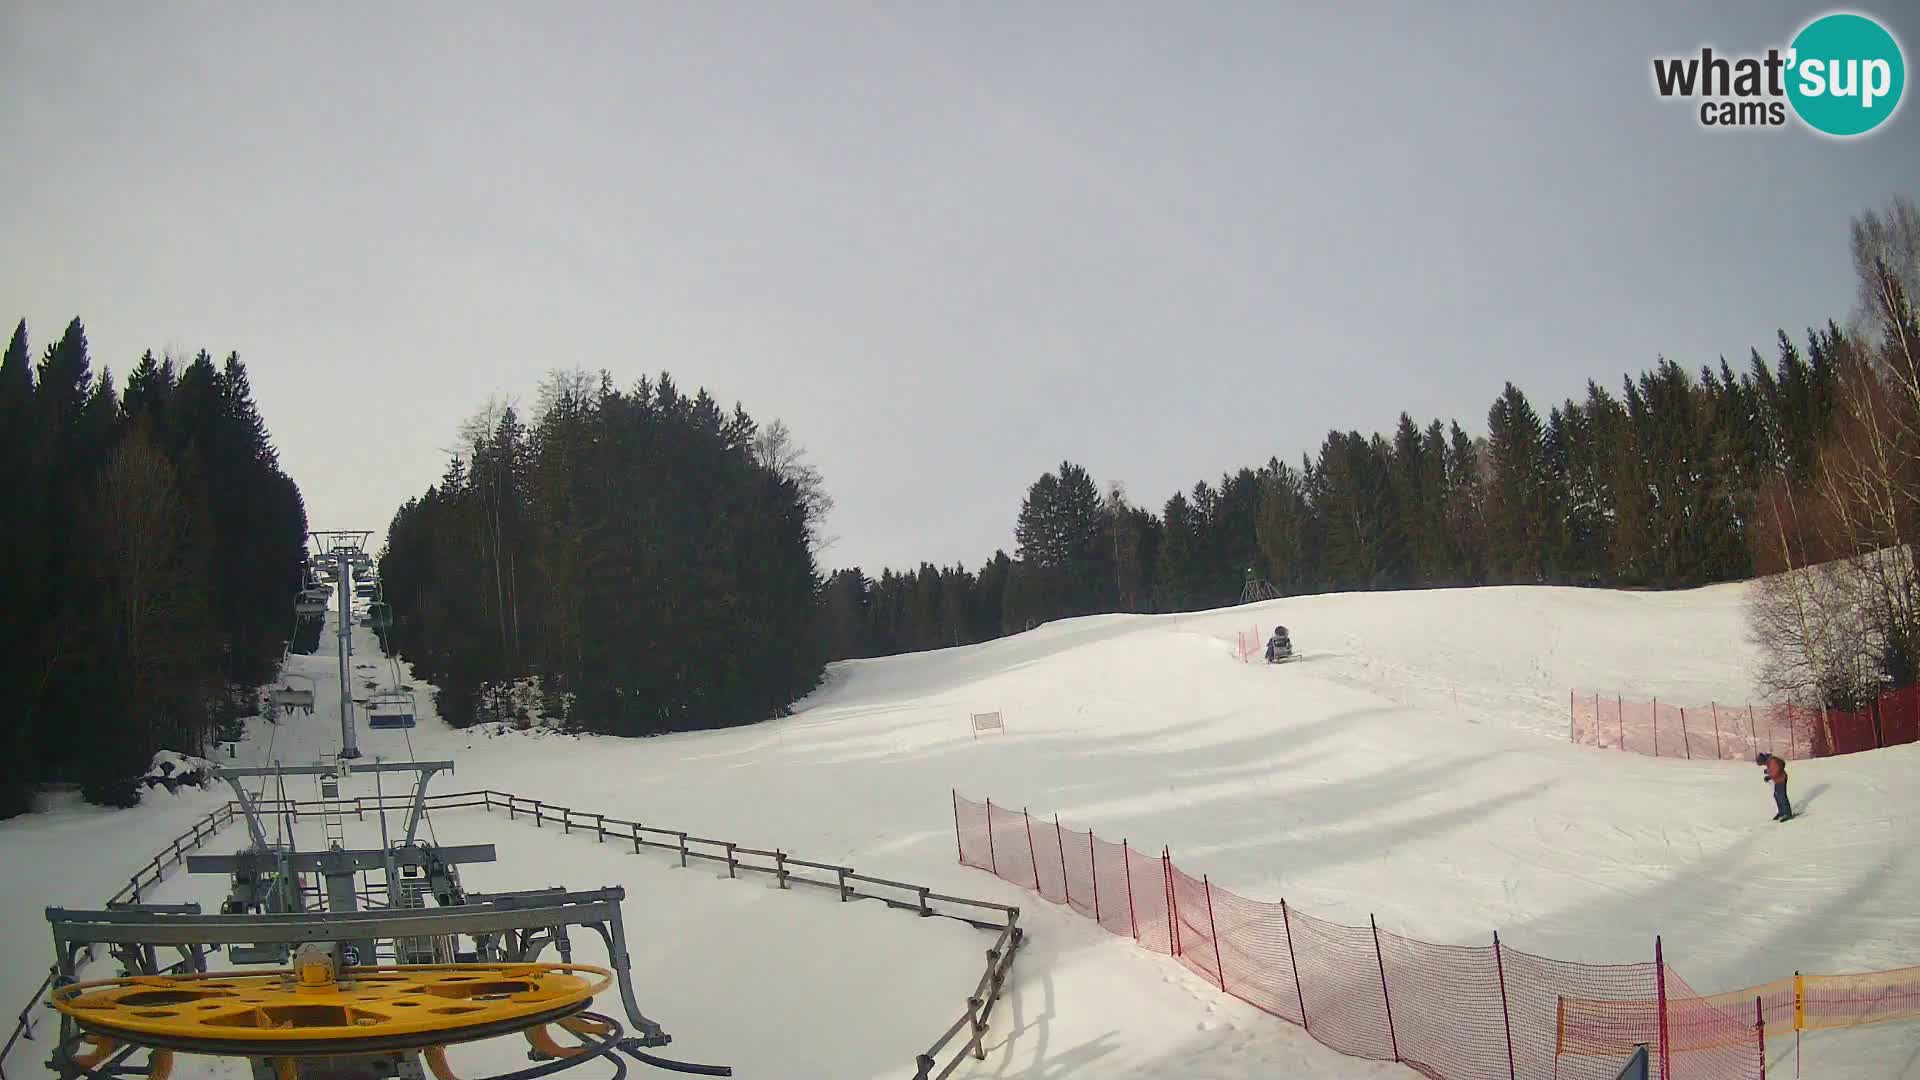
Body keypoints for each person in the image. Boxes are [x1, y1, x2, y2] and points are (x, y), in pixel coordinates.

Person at [1756, 752, 1792, 821]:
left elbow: (1776, 771)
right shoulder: (1769, 761)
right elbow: (1772, 769)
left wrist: (1769, 776)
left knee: (1781, 796)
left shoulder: (1772, 761)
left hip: (1781, 779)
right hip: (1778, 780)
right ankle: (1781, 812)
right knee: (1776, 795)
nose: (1763, 765)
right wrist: (1767, 771)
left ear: (1763, 760)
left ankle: (1787, 813)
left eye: (1762, 763)